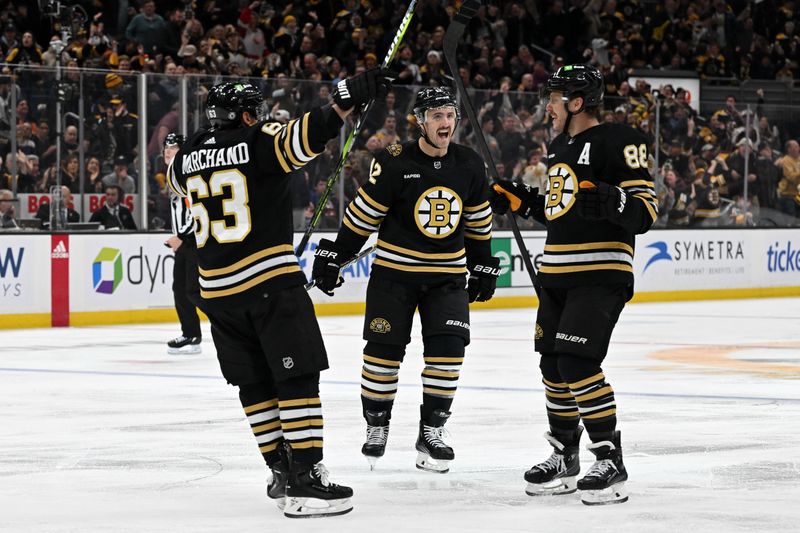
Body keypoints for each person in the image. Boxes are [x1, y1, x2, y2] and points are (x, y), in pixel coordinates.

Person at [166, 71, 392, 517]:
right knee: (297, 378)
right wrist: (343, 101)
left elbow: (176, 175)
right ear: (248, 113)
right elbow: (306, 135)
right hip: (268, 284)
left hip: (216, 293)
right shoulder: (258, 138)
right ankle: (306, 478)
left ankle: (280, 470)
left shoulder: (188, 154)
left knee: (253, 383)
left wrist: (181, 148)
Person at [491, 64, 658, 505]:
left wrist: (612, 197)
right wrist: (524, 200)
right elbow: (560, 208)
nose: (547, 105)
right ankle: (564, 455)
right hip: (558, 274)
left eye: (554, 97)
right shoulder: (560, 145)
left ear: (577, 101)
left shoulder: (622, 140)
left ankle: (609, 457)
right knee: (551, 365)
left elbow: (645, 212)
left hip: (601, 273)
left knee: (577, 363)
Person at [311, 87, 499, 474]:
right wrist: (338, 252)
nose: (445, 123)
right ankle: (377, 425)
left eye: (449, 115)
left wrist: (483, 263)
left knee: (448, 356)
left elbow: (479, 223)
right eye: (436, 116)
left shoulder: (469, 163)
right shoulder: (393, 160)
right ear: (420, 121)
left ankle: (432, 431)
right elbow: (364, 215)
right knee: (382, 357)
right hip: (394, 278)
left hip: (447, 279)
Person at [162, 133, 202, 354]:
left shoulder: (186, 174)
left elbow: (197, 208)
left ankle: (235, 330)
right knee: (181, 289)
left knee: (194, 290)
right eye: (166, 147)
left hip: (194, 241)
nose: (168, 150)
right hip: (186, 242)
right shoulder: (173, 173)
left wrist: (183, 237)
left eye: (173, 146)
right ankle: (191, 334)